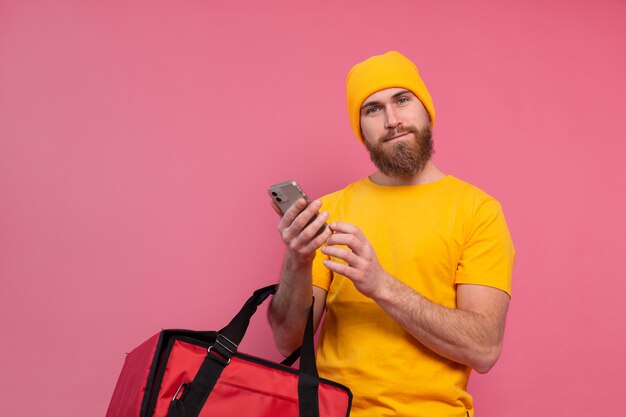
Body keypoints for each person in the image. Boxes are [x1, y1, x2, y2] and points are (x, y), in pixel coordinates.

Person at [268, 51, 515, 417]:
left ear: (425, 110)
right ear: (361, 130)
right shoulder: (329, 210)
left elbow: (484, 349)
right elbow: (286, 339)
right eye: (372, 109)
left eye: (402, 100)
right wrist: (298, 260)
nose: (392, 120)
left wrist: (380, 284)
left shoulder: (479, 211)